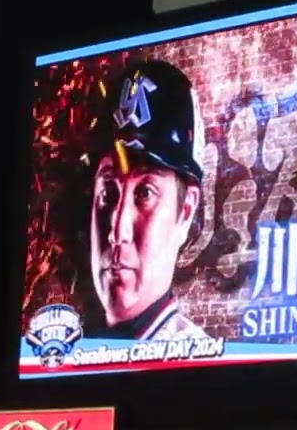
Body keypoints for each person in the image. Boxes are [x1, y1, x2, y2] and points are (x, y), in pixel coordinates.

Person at [87, 59, 209, 343]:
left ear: (186, 211)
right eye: (108, 194)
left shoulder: (195, 360)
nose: (117, 232)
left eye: (145, 194)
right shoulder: (65, 352)